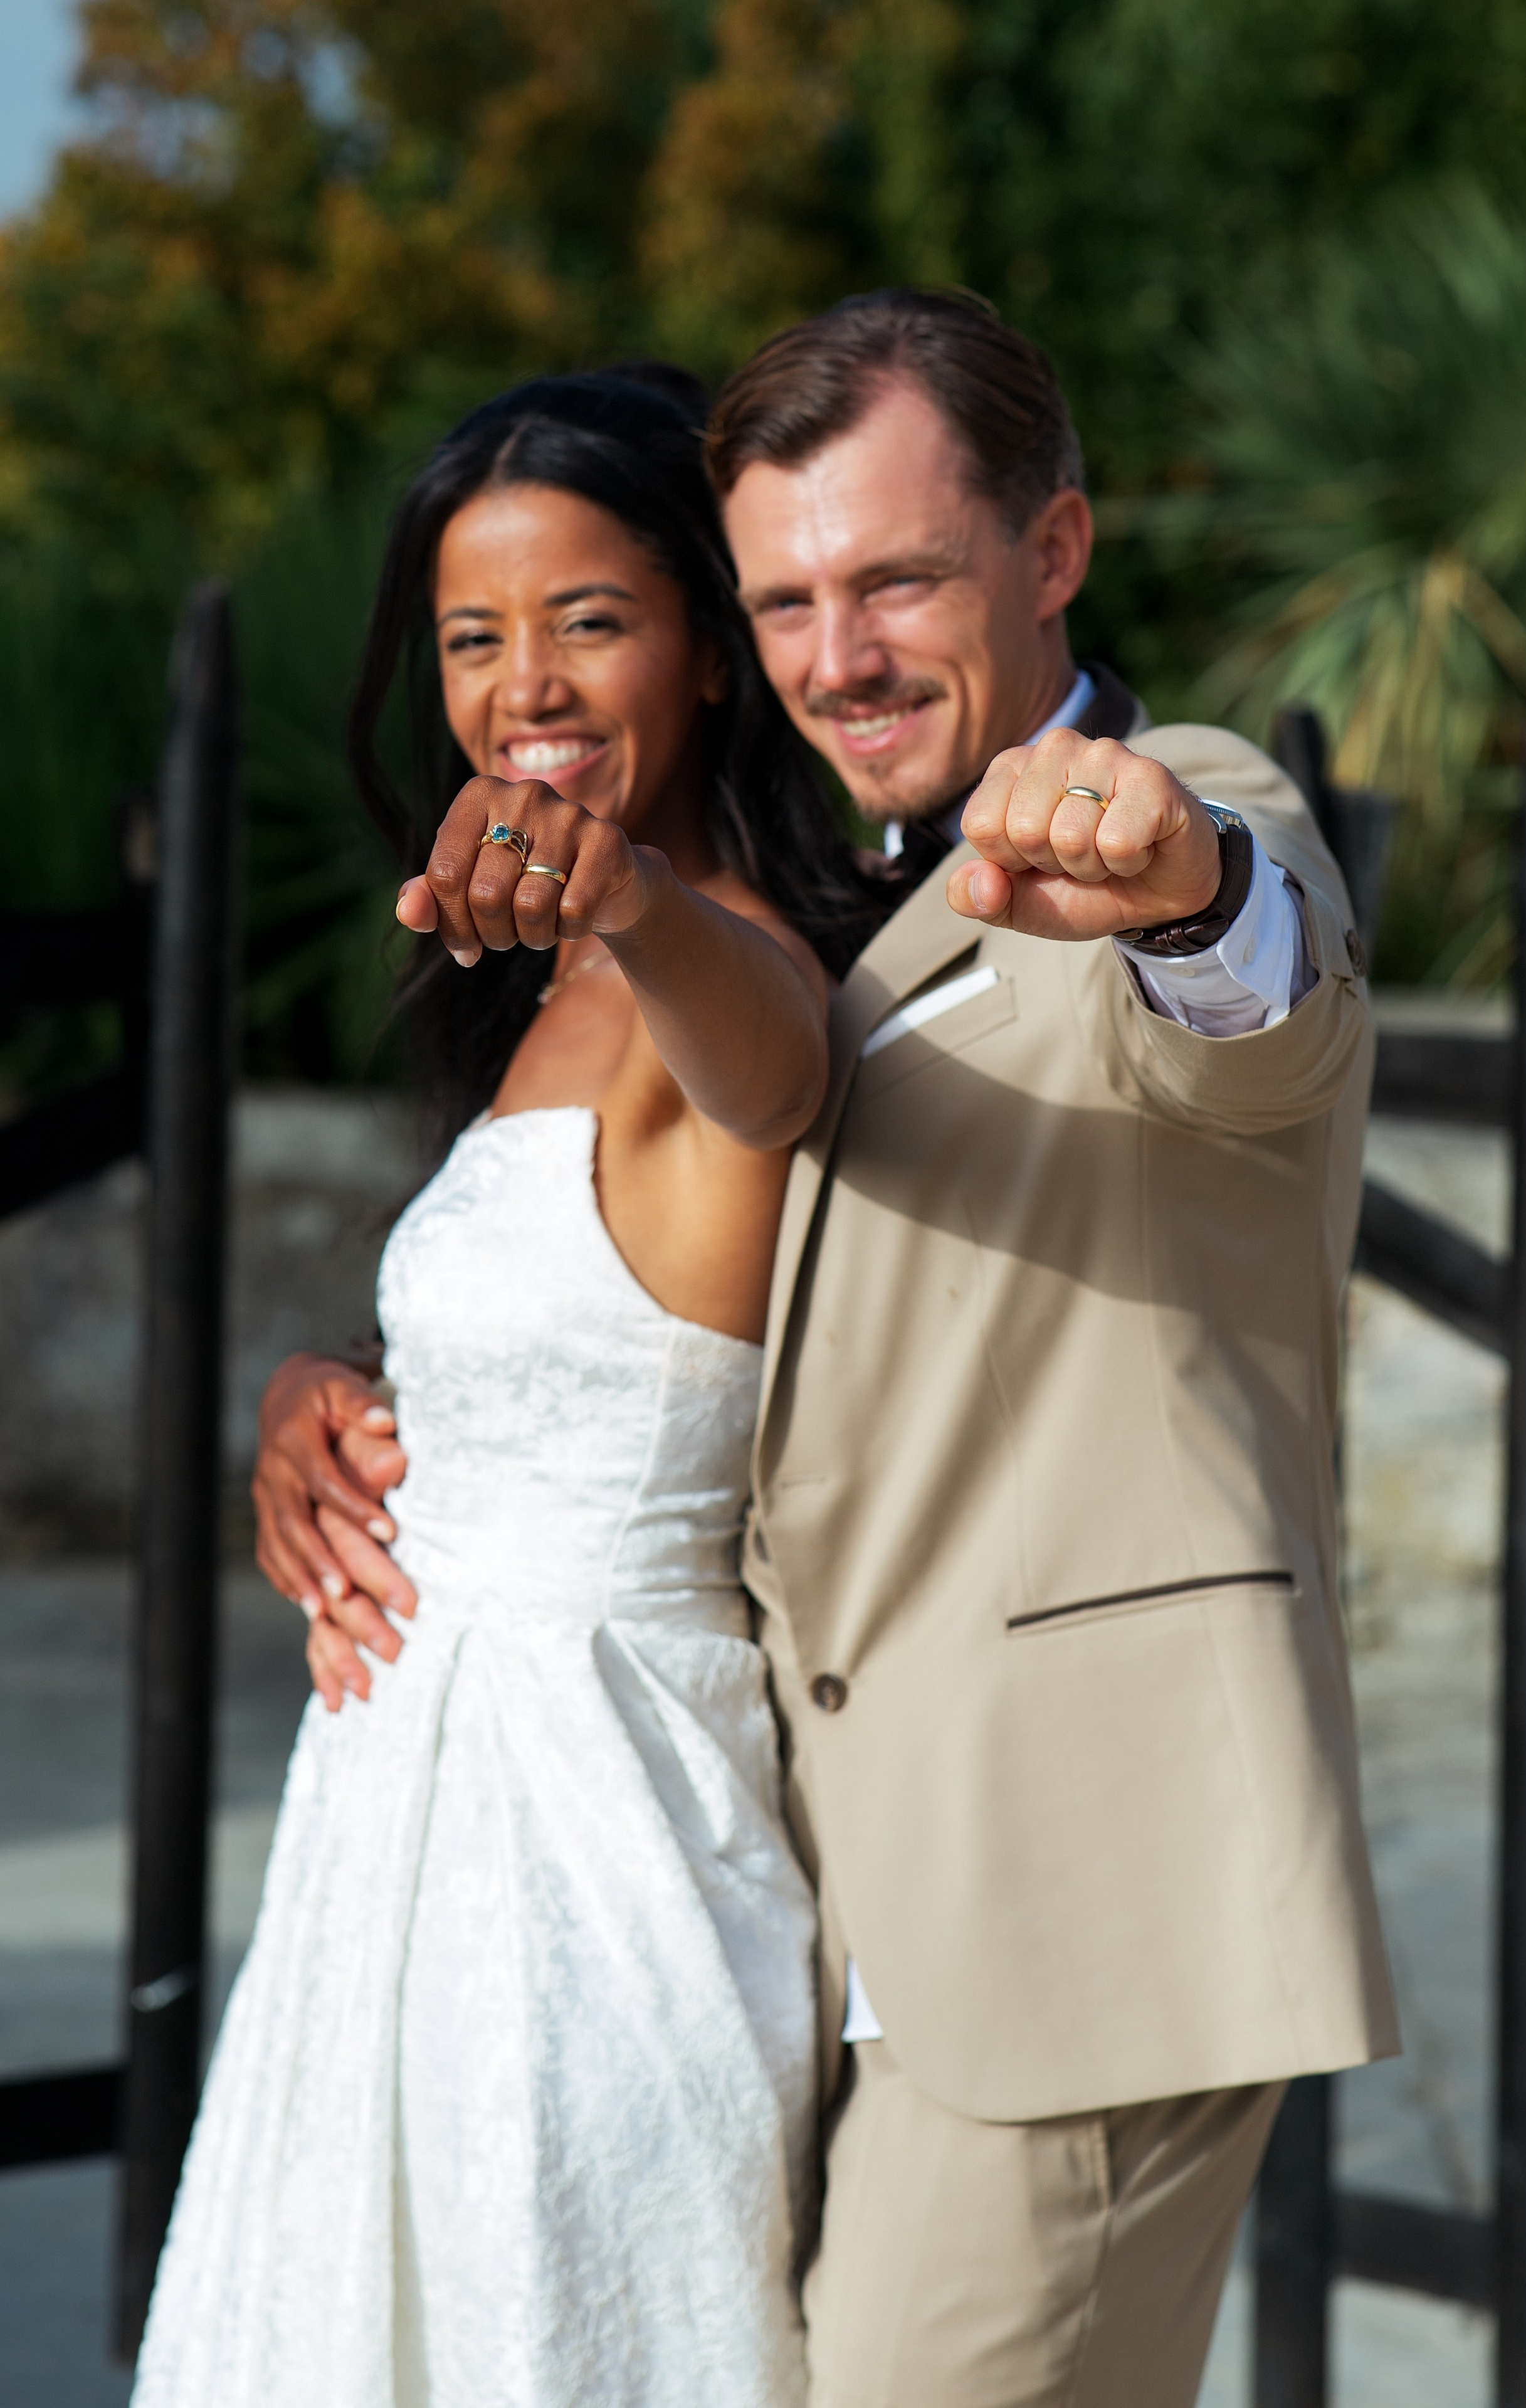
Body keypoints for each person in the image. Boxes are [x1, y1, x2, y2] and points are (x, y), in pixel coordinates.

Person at [257, 293, 1398, 2407]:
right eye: (789, 598)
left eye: (898, 580)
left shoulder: (1181, 809)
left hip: (1085, 1909)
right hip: (813, 1905)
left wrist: (1184, 893)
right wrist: (350, 1399)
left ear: (1055, 552)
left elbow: (1275, 1008)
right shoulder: (859, 905)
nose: (838, 651)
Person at [134, 369, 900, 2408]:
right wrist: (335, 1394)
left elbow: (777, 1075)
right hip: (397, 1836)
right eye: (475, 636)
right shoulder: (531, 988)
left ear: (713, 655)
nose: (523, 684)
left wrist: (628, 897)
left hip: (595, 1857)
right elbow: (560, 1329)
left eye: (590, 617)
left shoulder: (720, 956)